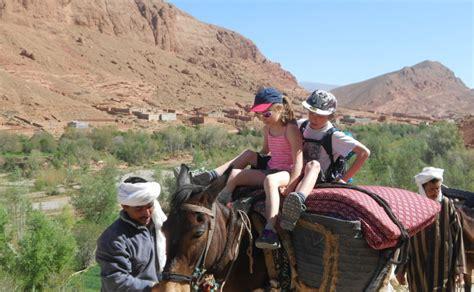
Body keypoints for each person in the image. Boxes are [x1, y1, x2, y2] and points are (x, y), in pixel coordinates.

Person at [195, 87, 303, 249]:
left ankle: (269, 230)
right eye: (259, 115)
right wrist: (252, 166)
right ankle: (221, 204)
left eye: (267, 114)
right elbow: (265, 152)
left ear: (279, 109)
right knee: (236, 174)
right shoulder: (268, 128)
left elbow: (298, 161)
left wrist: (290, 187)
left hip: (286, 172)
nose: (263, 118)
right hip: (271, 166)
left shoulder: (290, 129)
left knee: (270, 180)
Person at [279, 89, 370, 231]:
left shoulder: (335, 136)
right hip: (298, 173)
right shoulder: (302, 125)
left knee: (313, 165)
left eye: (320, 115)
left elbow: (364, 153)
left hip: (321, 178)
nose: (314, 118)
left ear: (330, 116)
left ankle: (298, 200)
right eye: (311, 113)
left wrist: (344, 180)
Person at [395, 167, 467, 292]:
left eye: (438, 188)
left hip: (444, 267)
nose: (435, 192)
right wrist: (401, 269)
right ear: (423, 188)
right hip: (418, 266)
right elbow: (406, 238)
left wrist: (459, 268)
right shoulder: (413, 206)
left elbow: (457, 236)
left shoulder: (446, 204)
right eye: (431, 189)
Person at [96, 177, 167, 292]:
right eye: (139, 208)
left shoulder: (160, 224)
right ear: (125, 206)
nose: (147, 213)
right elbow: (115, 282)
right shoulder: (113, 239)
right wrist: (154, 288)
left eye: (149, 205)